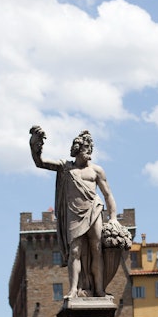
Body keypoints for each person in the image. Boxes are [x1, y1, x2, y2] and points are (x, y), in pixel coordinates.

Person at [30, 126, 119, 298]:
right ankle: (73, 290)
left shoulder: (97, 171)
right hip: (74, 214)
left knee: (96, 249)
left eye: (91, 148)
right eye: (86, 148)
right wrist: (35, 143)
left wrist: (113, 217)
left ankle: (99, 289)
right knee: (75, 251)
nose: (89, 151)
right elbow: (40, 162)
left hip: (94, 210)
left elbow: (108, 195)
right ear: (77, 148)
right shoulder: (66, 167)